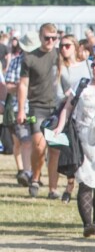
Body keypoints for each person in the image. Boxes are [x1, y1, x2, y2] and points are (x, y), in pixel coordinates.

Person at [56, 50, 95, 237]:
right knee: (85, 181)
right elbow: (68, 107)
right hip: (82, 139)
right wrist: (59, 127)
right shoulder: (82, 85)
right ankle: (87, 224)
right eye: (94, 65)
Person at [16, 23, 59, 198]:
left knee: (55, 149)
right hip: (37, 107)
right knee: (39, 146)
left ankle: (53, 189)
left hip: (57, 108)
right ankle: (35, 178)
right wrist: (20, 110)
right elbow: (23, 85)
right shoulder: (29, 58)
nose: (50, 41)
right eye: (47, 37)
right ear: (40, 38)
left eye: (53, 38)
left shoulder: (59, 55)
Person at [56, 34, 92, 203]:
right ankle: (70, 186)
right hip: (68, 110)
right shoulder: (59, 67)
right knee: (71, 150)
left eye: (67, 45)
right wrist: (66, 97)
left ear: (75, 47)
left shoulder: (87, 65)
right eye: (61, 45)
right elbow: (57, 91)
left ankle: (88, 185)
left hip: (87, 111)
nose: (64, 48)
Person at [5, 33, 36, 187]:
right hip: (20, 109)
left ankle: (33, 174)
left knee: (38, 143)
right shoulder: (16, 62)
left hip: (38, 108)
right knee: (25, 141)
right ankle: (26, 172)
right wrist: (21, 87)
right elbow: (8, 86)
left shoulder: (40, 62)